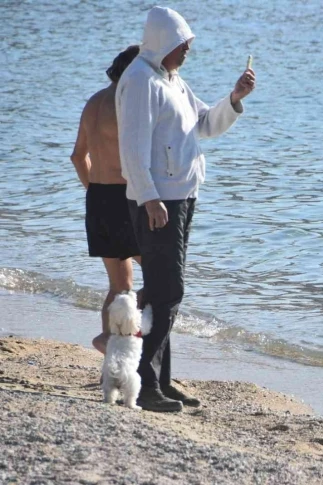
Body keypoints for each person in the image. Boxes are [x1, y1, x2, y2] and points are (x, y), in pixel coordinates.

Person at [116, 6, 255, 412]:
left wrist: (234, 98)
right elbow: (133, 147)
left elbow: (206, 124)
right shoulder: (141, 80)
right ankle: (143, 381)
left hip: (181, 198)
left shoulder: (172, 79)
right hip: (158, 202)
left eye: (189, 44)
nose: (188, 51)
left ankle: (160, 378)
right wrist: (149, 197)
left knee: (164, 293)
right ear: (164, 43)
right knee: (168, 289)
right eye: (183, 45)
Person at [70, 45, 142, 355]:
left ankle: (107, 339)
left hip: (99, 197)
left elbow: (77, 157)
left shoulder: (93, 102)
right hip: (122, 198)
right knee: (160, 273)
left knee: (119, 284)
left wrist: (94, 192)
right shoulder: (127, 103)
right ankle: (137, 339)